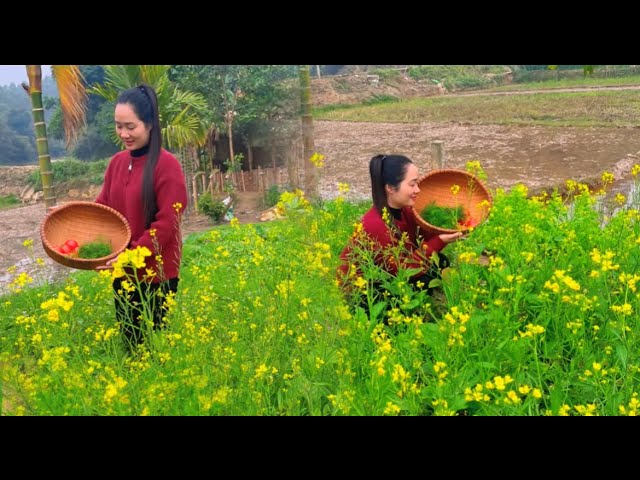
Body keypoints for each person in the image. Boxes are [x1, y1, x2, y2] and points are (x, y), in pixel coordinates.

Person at [95, 83, 188, 349]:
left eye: (130, 126)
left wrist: (128, 256)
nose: (124, 133)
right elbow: (104, 208)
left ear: (149, 124)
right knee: (132, 347)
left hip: (156, 276)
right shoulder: (116, 163)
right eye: (118, 126)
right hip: (123, 275)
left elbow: (167, 224)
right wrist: (75, 213)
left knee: (158, 349)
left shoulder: (167, 165)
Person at [337, 154, 463, 310]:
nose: (418, 190)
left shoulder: (405, 210)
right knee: (423, 276)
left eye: (417, 183)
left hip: (390, 275)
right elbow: (403, 270)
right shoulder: (375, 224)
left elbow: (423, 236)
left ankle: (424, 306)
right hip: (363, 291)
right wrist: (440, 241)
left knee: (439, 261)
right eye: (412, 185)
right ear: (390, 188)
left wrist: (452, 229)